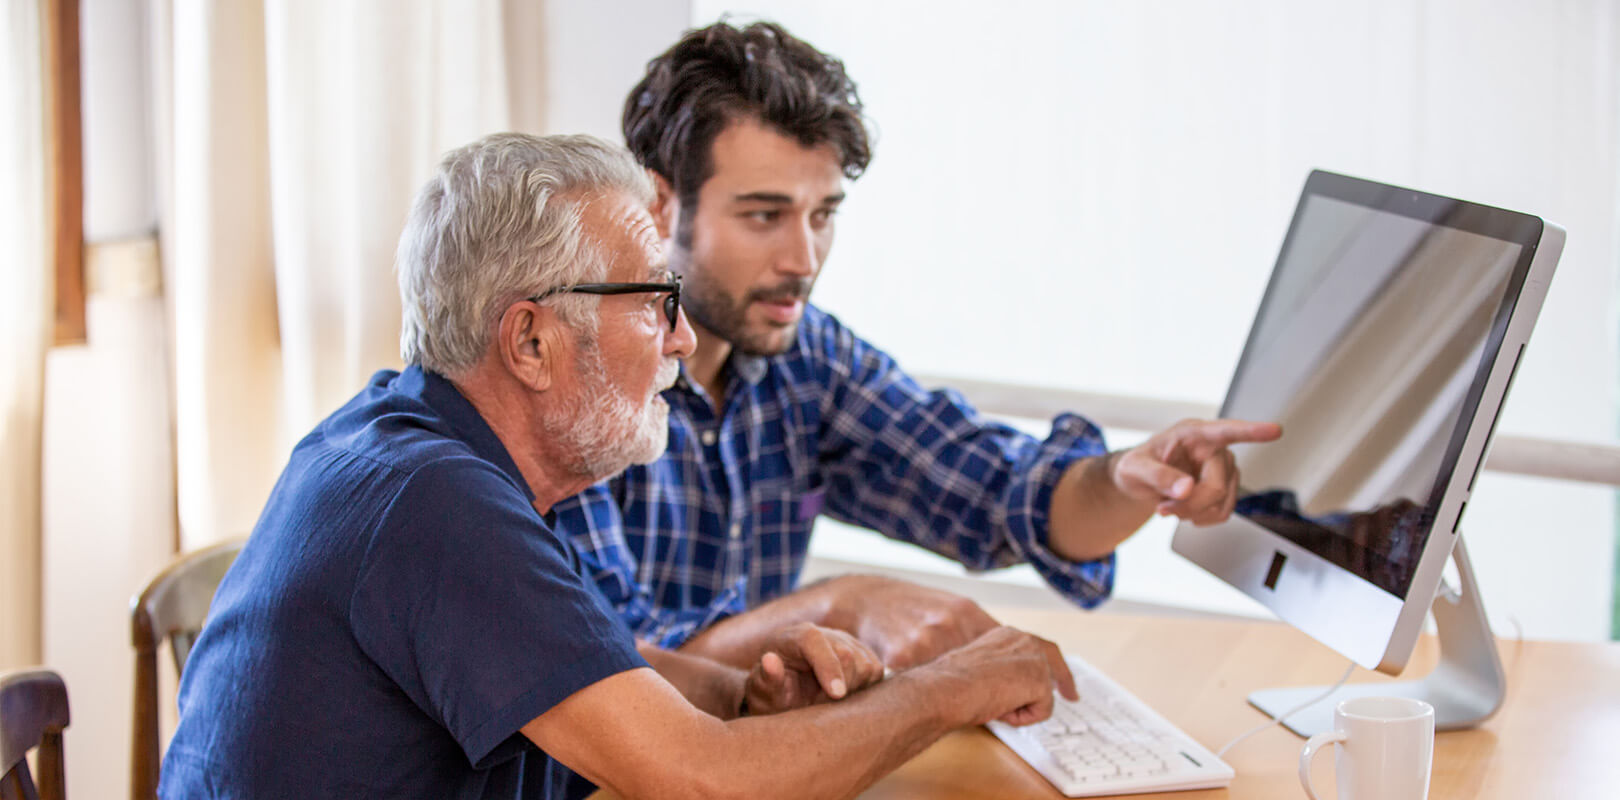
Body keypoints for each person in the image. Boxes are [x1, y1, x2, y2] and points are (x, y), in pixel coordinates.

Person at [158, 133, 1076, 799]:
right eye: (652, 302)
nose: (682, 337)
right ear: (530, 340)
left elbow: (571, 667)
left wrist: (739, 693)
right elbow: (702, 783)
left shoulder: (412, 441)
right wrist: (958, 685)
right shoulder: (435, 505)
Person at [550, 21, 1282, 671]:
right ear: (658, 202)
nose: (804, 258)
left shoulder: (805, 360)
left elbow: (1001, 496)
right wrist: (840, 607)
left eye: (824, 214)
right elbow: (613, 665)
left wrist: (1127, 477)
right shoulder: (574, 381)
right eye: (765, 215)